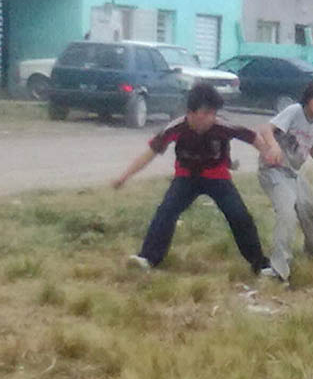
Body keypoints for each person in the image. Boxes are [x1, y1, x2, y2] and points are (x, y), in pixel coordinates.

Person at [113, 83, 273, 274]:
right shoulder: (176, 128)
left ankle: (260, 264)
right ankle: (147, 258)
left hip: (217, 176)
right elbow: (149, 154)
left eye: (213, 113)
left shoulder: (221, 125)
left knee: (239, 216)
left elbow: (252, 137)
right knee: (166, 211)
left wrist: (268, 153)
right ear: (192, 113)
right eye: (207, 113)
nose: (211, 118)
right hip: (186, 177)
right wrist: (124, 176)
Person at [255, 77, 313, 284]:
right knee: (287, 214)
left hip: (293, 175)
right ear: (309, 99)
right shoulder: (295, 111)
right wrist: (274, 146)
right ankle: (278, 269)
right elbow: (265, 129)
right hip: (273, 171)